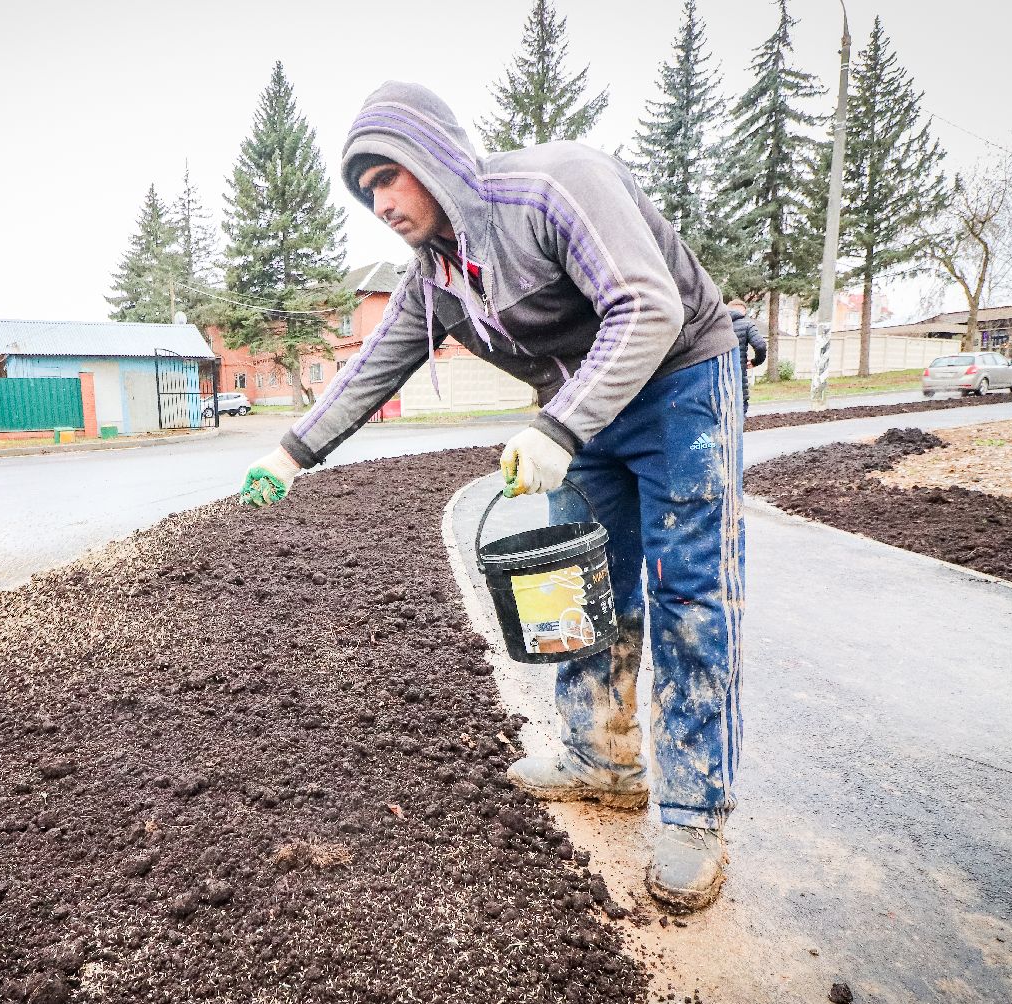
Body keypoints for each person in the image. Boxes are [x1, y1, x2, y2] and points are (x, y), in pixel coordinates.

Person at [238, 82, 744, 913]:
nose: (380, 204)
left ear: (432, 157)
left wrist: (558, 429)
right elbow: (373, 365)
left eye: (387, 177)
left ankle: (693, 813)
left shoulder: (553, 187)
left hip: (679, 382)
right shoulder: (436, 276)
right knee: (584, 589)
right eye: (365, 192)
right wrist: (291, 454)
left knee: (688, 592)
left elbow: (647, 305)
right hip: (580, 410)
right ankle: (601, 760)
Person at [727, 298, 767, 412]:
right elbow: (760, 345)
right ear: (744, 312)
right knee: (738, 418)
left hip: (716, 388)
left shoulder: (715, 325)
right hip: (738, 387)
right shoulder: (747, 324)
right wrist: (755, 362)